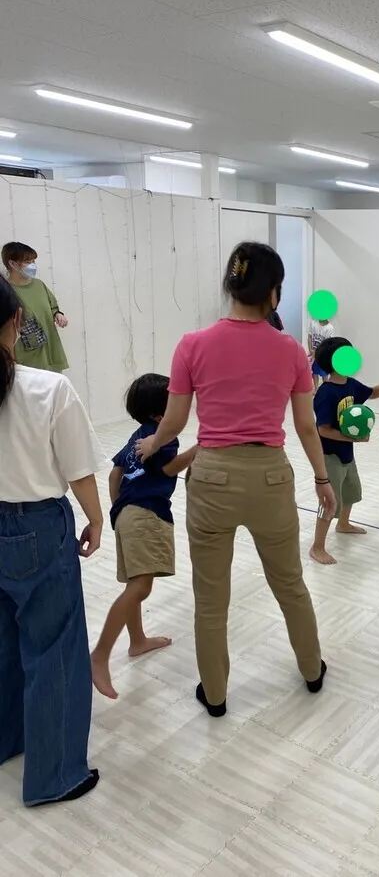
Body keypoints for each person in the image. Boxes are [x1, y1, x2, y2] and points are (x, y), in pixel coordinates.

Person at [135, 242, 334, 718]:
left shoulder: (193, 344)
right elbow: (306, 426)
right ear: (274, 293)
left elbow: (176, 421)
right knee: (290, 584)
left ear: (231, 285)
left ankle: (217, 695)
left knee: (210, 597)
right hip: (270, 479)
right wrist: (322, 478)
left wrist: (151, 444)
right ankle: (311, 670)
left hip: (212, 478)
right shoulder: (289, 350)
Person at [0, 276, 104, 806]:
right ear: (16, 323)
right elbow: (79, 468)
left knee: (3, 642)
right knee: (54, 646)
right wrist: (95, 518)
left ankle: (8, 740)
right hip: (35, 527)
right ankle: (54, 774)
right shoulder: (47, 389)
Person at [90, 374, 198, 701]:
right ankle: (100, 654)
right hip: (146, 514)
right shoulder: (164, 438)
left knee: (134, 583)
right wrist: (199, 448)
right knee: (142, 586)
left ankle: (137, 640)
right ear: (160, 415)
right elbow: (169, 469)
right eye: (176, 400)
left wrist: (119, 511)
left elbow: (114, 474)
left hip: (126, 513)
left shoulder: (137, 435)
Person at [309, 336, 379, 565]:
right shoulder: (326, 393)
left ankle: (343, 524)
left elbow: (372, 393)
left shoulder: (351, 384)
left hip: (346, 452)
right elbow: (322, 430)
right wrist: (351, 437)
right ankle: (317, 546)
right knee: (329, 501)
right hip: (330, 456)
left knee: (350, 490)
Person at [2, 242, 69, 373]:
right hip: (26, 360)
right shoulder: (6, 291)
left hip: (51, 353)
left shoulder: (39, 285)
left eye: (34, 261)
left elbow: (53, 307)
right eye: (27, 261)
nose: (33, 265)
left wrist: (58, 315)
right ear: (12, 264)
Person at [307, 316, 335, 392]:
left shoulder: (330, 328)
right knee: (315, 372)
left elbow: (326, 343)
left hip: (323, 355)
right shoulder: (313, 324)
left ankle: (326, 390)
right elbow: (309, 337)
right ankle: (316, 389)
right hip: (314, 355)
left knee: (324, 374)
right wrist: (310, 350)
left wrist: (316, 352)